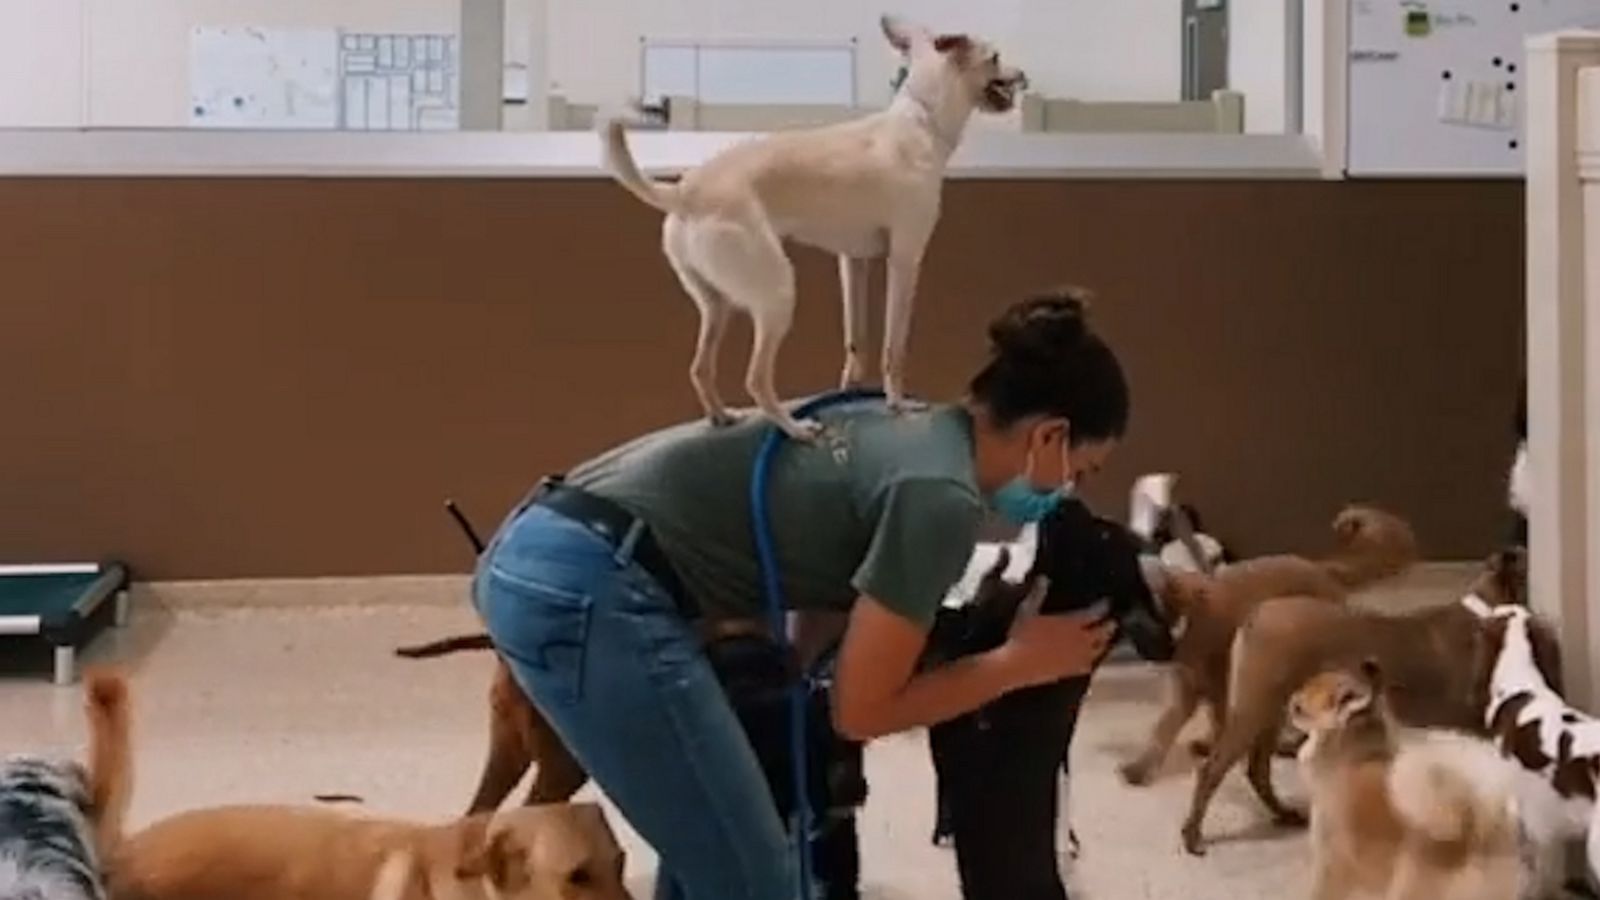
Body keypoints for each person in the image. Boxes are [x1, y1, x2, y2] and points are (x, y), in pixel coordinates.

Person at [474, 288, 1128, 900]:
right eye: (1084, 468)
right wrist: (1019, 664)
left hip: (547, 548)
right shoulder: (942, 498)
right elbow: (861, 711)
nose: (1070, 489)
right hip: (589, 583)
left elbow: (813, 568)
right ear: (1049, 436)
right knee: (758, 880)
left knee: (713, 837)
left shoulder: (904, 426)